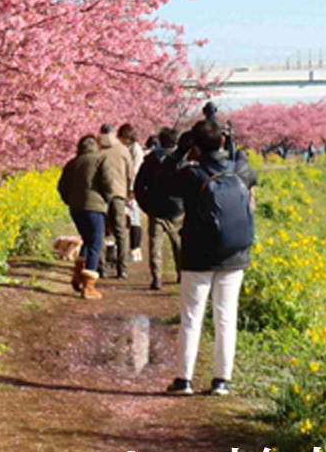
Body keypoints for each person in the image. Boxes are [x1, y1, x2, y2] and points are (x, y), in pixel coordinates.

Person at [161, 120, 257, 396]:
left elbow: (165, 181)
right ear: (224, 142)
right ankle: (222, 381)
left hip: (197, 255)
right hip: (235, 256)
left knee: (192, 317)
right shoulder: (239, 171)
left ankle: (184, 380)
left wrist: (180, 151)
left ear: (195, 145)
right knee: (226, 317)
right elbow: (250, 171)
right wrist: (236, 150)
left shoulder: (192, 175)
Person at [56, 135, 113, 299]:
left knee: (87, 241)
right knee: (96, 243)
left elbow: (61, 186)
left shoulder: (72, 163)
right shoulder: (100, 159)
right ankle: (88, 286)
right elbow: (107, 183)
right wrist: (107, 199)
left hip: (76, 208)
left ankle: (78, 276)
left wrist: (70, 200)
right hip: (94, 207)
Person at [132, 128, 185, 290]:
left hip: (155, 207)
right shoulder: (181, 160)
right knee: (179, 243)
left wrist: (145, 206)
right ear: (175, 142)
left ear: (160, 141)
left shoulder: (150, 160)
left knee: (155, 245)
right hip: (177, 208)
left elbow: (139, 186)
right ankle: (181, 275)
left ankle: (157, 278)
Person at [96, 124, 142, 279]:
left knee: (101, 231)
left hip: (100, 195)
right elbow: (131, 174)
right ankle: (122, 269)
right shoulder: (123, 150)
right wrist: (129, 192)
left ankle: (100, 267)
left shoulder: (98, 149)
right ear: (114, 133)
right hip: (119, 194)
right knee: (121, 232)